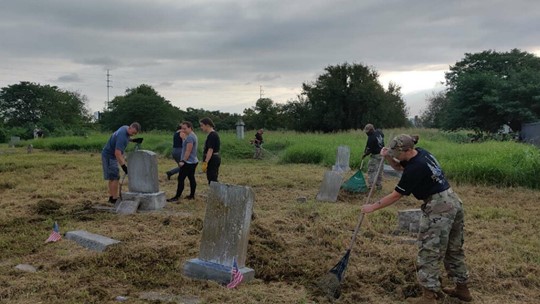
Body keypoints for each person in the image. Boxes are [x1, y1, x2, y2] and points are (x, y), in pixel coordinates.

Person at [361, 134, 471, 304]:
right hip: (452, 201)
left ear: (407, 150)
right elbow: (400, 167)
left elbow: (396, 195)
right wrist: (388, 156)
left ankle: (429, 297)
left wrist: (372, 207)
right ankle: (462, 289)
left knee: (429, 251)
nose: (396, 155)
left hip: (439, 208)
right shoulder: (421, 153)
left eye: (397, 152)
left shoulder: (415, 168)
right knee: (453, 248)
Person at [101, 122, 141, 204]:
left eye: (135, 134)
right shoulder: (122, 136)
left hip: (110, 155)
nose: (132, 135)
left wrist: (133, 140)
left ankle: (112, 197)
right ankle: (114, 198)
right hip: (109, 156)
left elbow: (125, 137)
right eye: (133, 133)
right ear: (130, 128)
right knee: (115, 177)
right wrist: (124, 167)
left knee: (112, 177)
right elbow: (117, 153)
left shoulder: (125, 128)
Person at [167, 121, 198, 202]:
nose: (183, 130)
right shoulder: (190, 136)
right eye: (182, 128)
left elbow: (188, 150)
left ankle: (177, 197)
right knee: (191, 178)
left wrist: (183, 161)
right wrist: (183, 138)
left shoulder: (190, 137)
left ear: (190, 127)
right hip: (193, 161)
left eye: (185, 128)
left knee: (181, 178)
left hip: (188, 162)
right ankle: (191, 195)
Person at [362, 123, 384, 190]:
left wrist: (364, 155)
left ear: (371, 130)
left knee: (371, 170)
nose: (367, 133)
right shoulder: (379, 132)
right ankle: (379, 185)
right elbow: (382, 135)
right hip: (382, 154)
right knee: (379, 170)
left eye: (368, 131)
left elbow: (369, 150)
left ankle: (371, 186)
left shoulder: (371, 138)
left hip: (375, 156)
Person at [199, 117, 221, 184]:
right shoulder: (210, 135)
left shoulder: (213, 135)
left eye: (202, 125)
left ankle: (216, 193)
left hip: (213, 159)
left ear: (207, 125)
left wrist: (206, 162)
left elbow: (210, 150)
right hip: (212, 158)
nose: (201, 127)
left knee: (212, 178)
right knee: (210, 177)